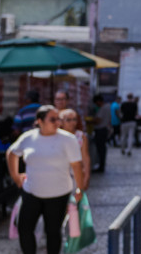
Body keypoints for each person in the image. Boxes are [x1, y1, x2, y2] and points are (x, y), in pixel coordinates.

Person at [6, 105, 85, 254]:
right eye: (53, 119)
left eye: (58, 119)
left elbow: (77, 166)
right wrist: (16, 176)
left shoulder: (68, 139)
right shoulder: (28, 137)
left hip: (58, 194)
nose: (57, 122)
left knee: (53, 232)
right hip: (31, 192)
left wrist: (79, 188)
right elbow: (12, 153)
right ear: (39, 121)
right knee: (24, 228)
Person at [59, 108, 91, 191]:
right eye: (68, 120)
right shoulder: (55, 136)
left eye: (74, 119)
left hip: (76, 175)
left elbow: (85, 157)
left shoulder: (81, 136)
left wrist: (86, 176)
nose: (72, 122)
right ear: (61, 121)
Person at [92, 94, 111, 173]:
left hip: (101, 130)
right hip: (104, 129)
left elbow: (98, 120)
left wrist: (91, 121)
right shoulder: (107, 107)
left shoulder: (103, 108)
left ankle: (101, 166)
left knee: (101, 149)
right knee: (102, 149)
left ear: (99, 101)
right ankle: (101, 165)